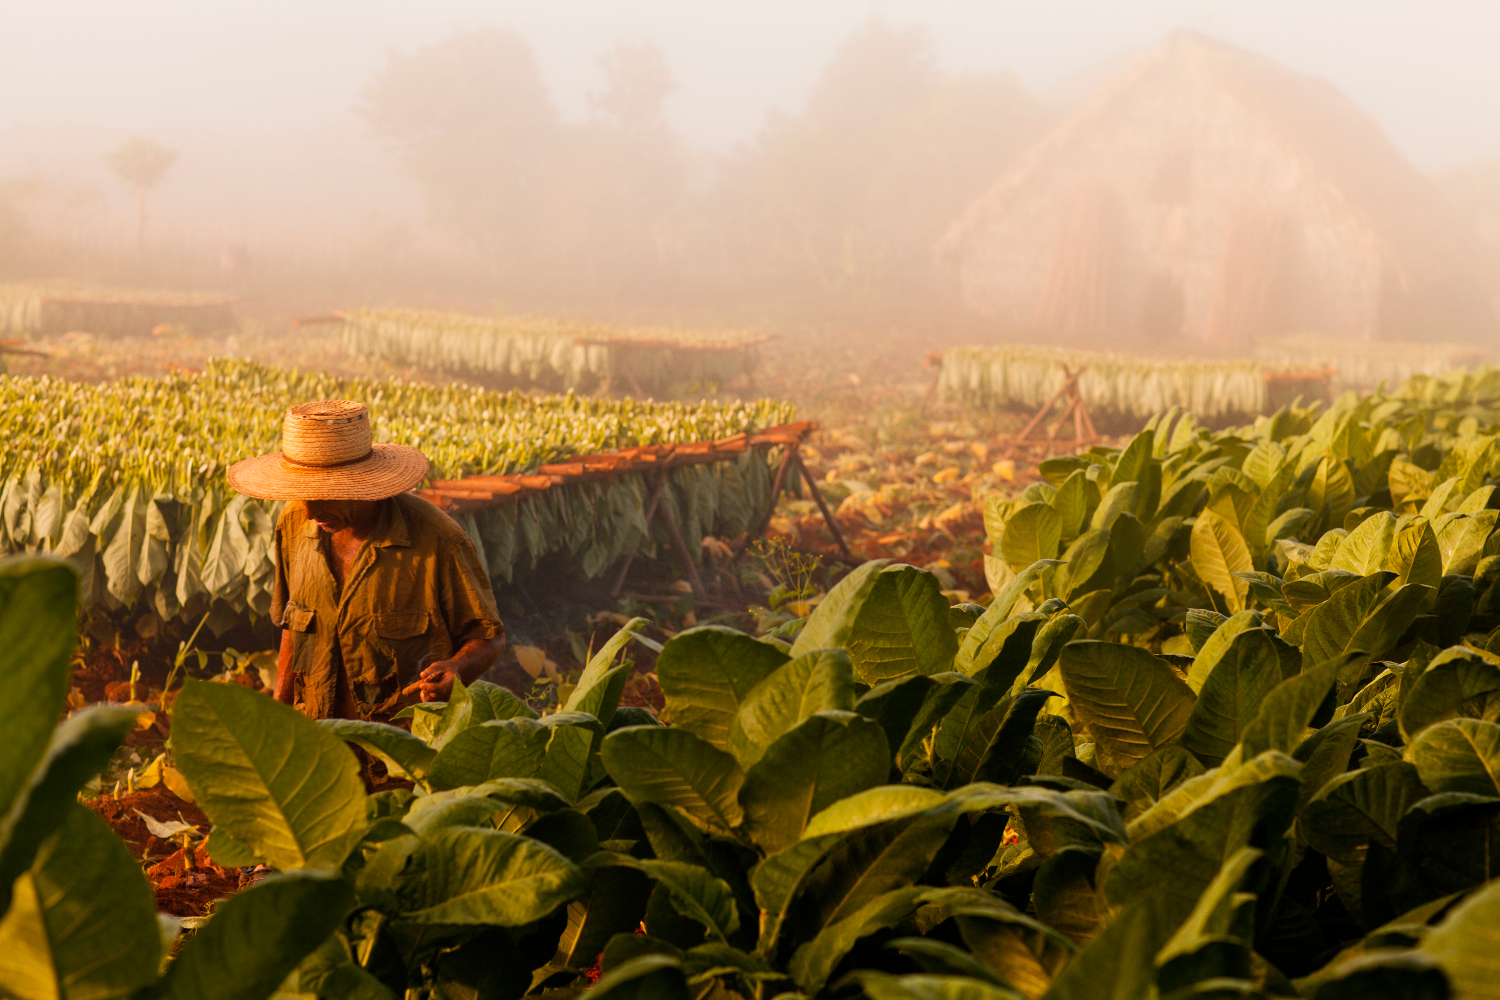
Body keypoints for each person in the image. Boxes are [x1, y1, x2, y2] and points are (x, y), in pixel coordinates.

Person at [226, 399, 505, 720]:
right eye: (302, 494)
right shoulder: (293, 524)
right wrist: (280, 711)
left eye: (324, 496)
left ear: (362, 483)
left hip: (402, 747)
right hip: (320, 740)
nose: (310, 512)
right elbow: (294, 625)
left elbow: (489, 637)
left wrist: (457, 669)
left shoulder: (435, 536)